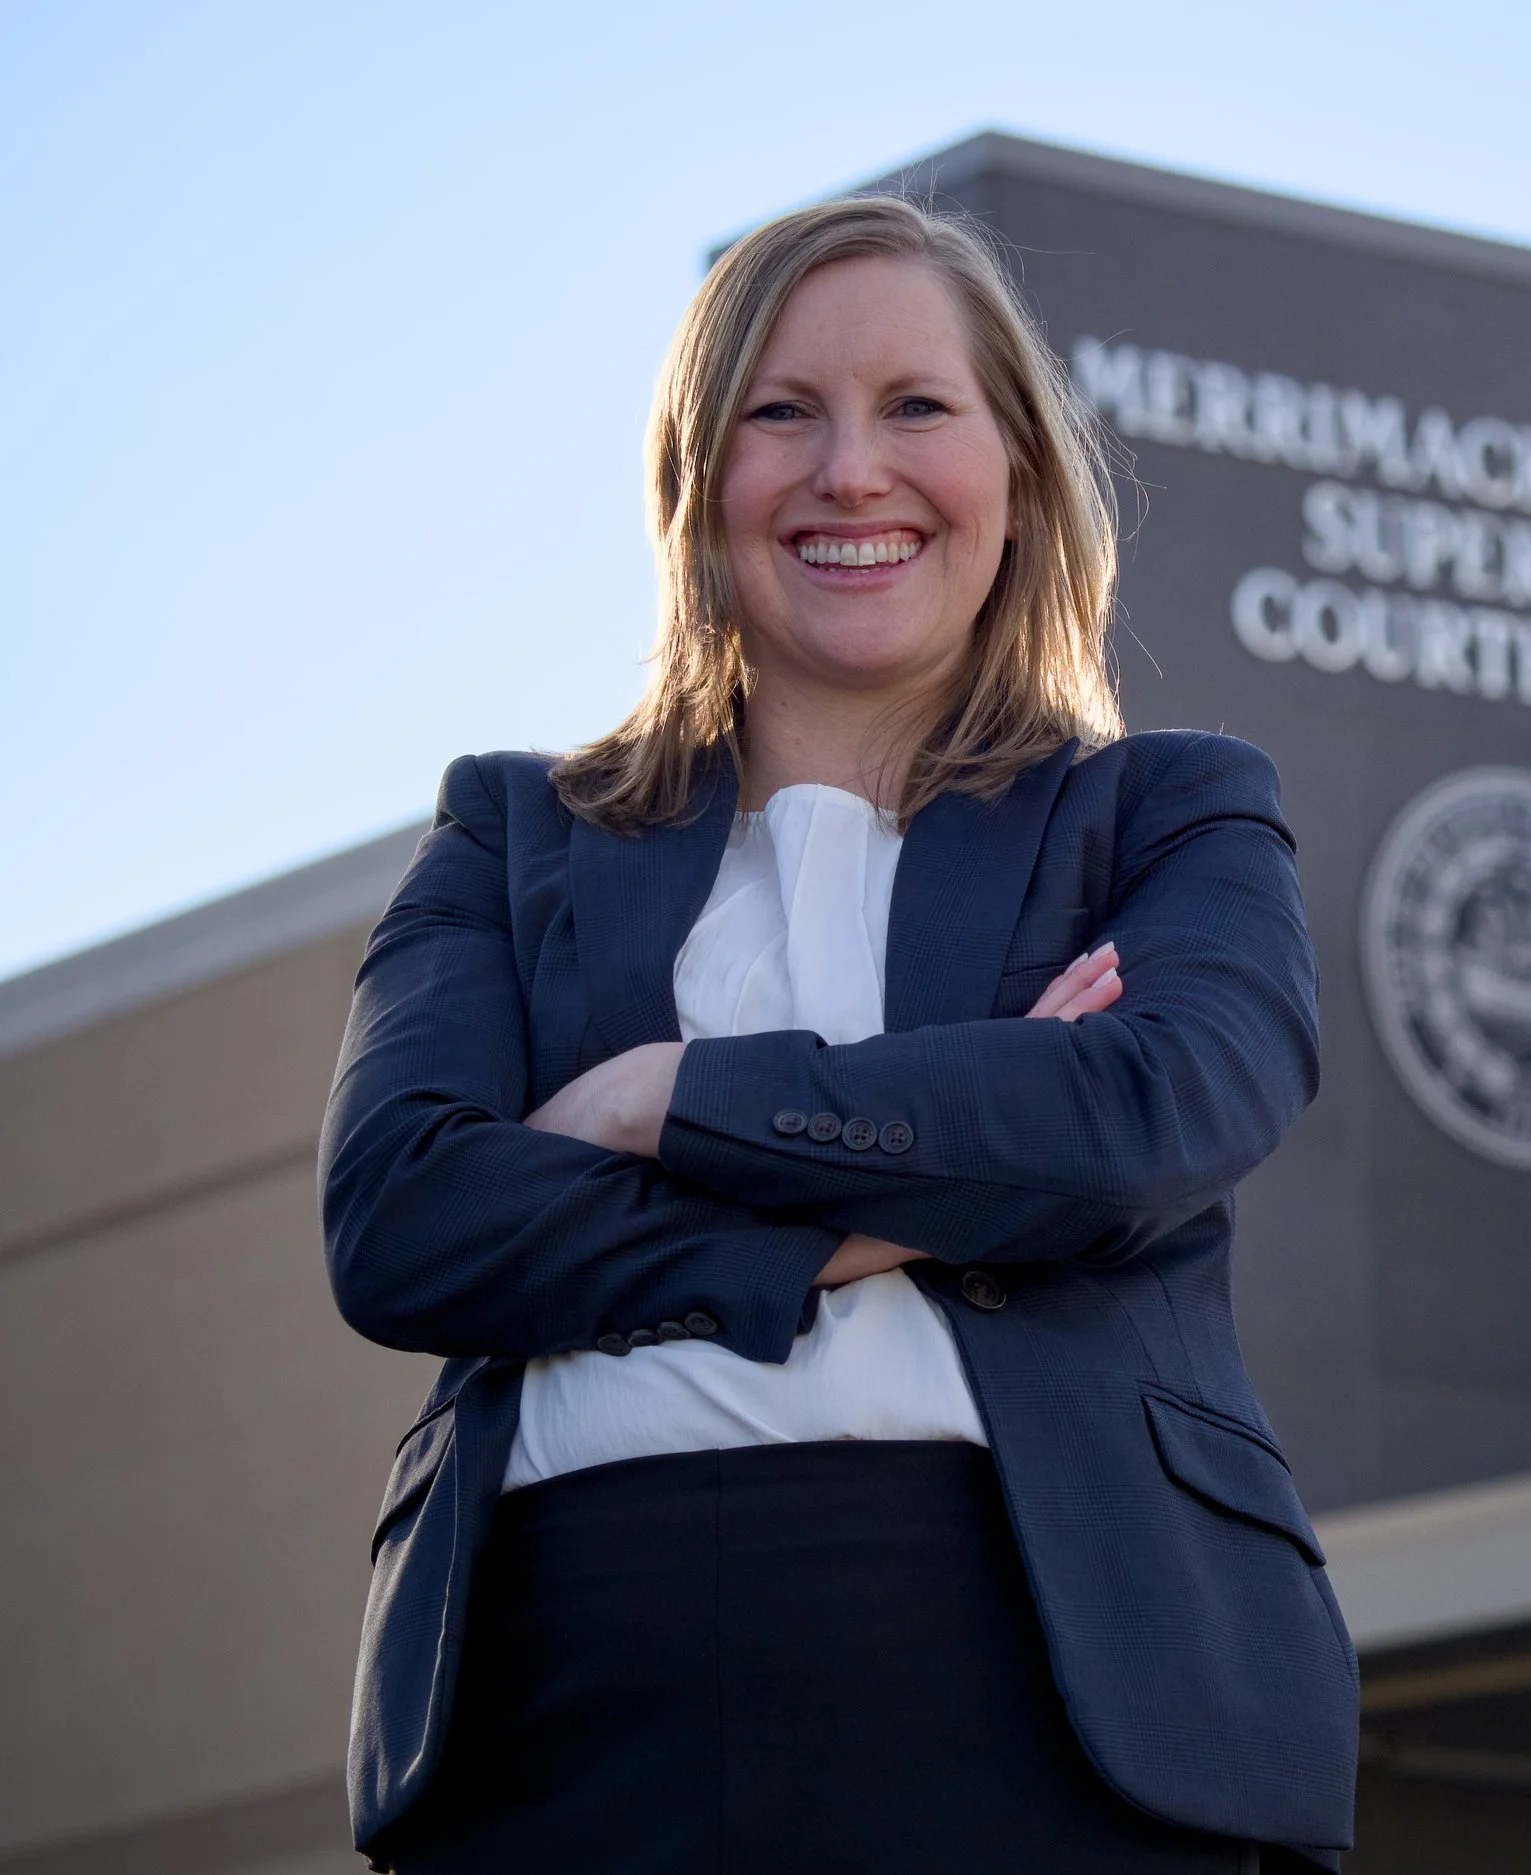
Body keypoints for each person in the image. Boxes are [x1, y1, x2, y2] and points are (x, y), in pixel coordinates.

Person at [320, 194, 1358, 1873]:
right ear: (695, 481)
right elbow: (403, 1224)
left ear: (1014, 473)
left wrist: (666, 1097)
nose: (850, 472)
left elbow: (1155, 1109)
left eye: (916, 408)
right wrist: (952, 1167)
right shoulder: (509, 836)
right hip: (559, 1699)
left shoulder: (1166, 814)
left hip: (1048, 1682)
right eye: (781, 412)